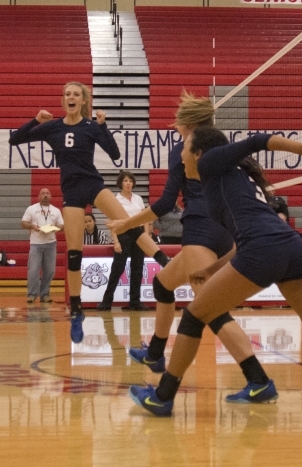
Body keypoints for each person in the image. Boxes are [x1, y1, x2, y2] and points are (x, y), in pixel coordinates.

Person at [127, 126, 302, 429]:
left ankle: (163, 396)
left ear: (199, 153)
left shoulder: (210, 163)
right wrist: (212, 270)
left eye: (184, 147)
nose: (180, 155)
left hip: (263, 249)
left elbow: (256, 141)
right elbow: (241, 241)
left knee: (195, 316)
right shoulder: (229, 179)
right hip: (289, 247)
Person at [108, 92, 258, 382]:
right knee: (163, 286)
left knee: (211, 309)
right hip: (225, 228)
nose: (174, 119)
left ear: (189, 123)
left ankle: (258, 379)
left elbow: (165, 203)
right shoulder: (221, 146)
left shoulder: (183, 149)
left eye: (180, 115)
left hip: (201, 229)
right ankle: (154, 352)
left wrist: (128, 223)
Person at [9, 81, 168, 342]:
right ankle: (77, 310)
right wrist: (35, 120)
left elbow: (115, 154)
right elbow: (15, 139)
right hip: (71, 193)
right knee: (73, 254)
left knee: (128, 224)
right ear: (63, 100)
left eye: (76, 94)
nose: (71, 98)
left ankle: (163, 261)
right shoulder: (53, 127)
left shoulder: (90, 127)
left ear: (84, 101)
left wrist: (103, 125)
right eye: (67, 94)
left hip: (93, 184)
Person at [96, 171, 149, 311]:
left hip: (138, 235)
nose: (128, 183)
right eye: (125, 180)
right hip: (123, 234)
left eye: (130, 181)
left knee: (137, 269)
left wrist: (147, 236)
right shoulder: (116, 199)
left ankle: (135, 302)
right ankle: (106, 301)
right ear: (120, 183)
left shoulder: (138, 199)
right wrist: (116, 241)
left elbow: (145, 219)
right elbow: (113, 222)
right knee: (117, 269)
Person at [21, 188, 64, 305]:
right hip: (36, 244)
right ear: (38, 196)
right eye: (43, 193)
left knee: (50, 271)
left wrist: (56, 227)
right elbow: (23, 223)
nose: (45, 195)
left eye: (47, 193)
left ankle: (45, 294)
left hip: (51, 243)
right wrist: (33, 226)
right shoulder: (31, 209)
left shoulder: (56, 210)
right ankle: (32, 294)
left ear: (51, 196)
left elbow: (62, 225)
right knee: (33, 270)